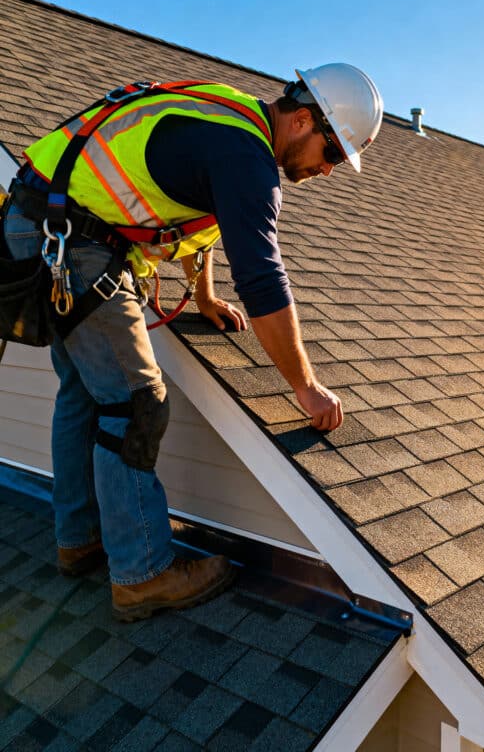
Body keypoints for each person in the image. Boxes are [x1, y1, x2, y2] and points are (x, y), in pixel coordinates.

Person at [1, 64, 383, 621]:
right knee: (135, 403)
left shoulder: (227, 115)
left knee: (83, 392)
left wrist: (203, 300)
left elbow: (188, 215)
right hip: (72, 243)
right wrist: (306, 386)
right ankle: (142, 573)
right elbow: (262, 281)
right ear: (303, 120)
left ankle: (78, 540)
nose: (328, 171)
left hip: (38, 224)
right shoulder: (248, 159)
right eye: (331, 154)